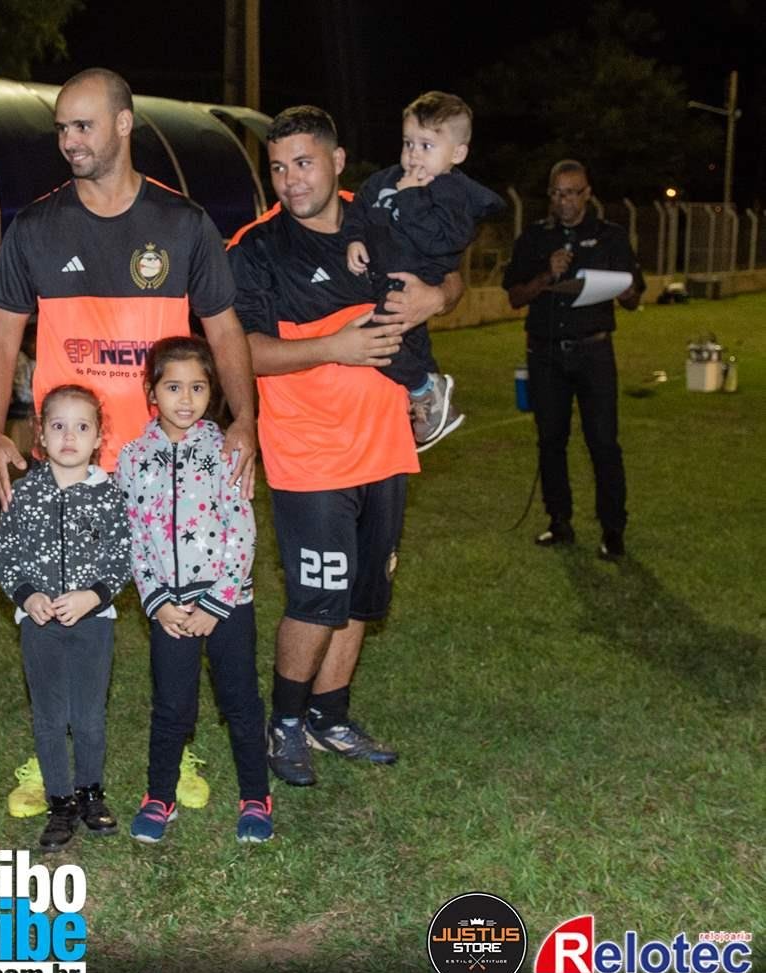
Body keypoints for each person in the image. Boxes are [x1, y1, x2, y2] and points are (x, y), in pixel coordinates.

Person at [0, 66, 257, 817]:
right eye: (61, 128)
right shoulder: (36, 227)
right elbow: (1, 337)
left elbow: (225, 328)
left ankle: (180, 745)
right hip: (71, 466)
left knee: (182, 609)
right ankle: (53, 757)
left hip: (169, 467)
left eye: (84, 125)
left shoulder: (183, 223)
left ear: (124, 124)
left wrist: (244, 420)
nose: (69, 141)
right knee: (59, 616)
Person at [227, 106, 463, 787]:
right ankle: (285, 723)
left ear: (337, 161)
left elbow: (453, 274)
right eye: (278, 167)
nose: (291, 180)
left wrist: (435, 299)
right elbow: (240, 351)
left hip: (386, 446)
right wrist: (335, 347)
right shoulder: (257, 248)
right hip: (311, 455)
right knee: (317, 599)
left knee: (362, 598)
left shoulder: (388, 214)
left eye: (304, 163)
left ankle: (330, 718)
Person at [115, 338, 271, 844]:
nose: (186, 399)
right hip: (170, 610)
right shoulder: (132, 459)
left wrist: (216, 603)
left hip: (227, 604)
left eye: (198, 388)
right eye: (174, 387)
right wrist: (157, 602)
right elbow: (133, 536)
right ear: (151, 391)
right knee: (171, 706)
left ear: (212, 391)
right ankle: (159, 797)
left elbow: (242, 531)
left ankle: (255, 797)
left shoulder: (227, 451)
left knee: (240, 701)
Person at [0, 385, 128, 852]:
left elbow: (123, 557)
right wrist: (27, 596)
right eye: (59, 426)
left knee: (88, 715)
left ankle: (90, 793)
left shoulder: (110, 495)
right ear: (41, 436)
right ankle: (60, 802)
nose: (70, 437)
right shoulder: (25, 494)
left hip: (94, 624)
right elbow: (3, 554)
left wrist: (93, 596)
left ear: (99, 438)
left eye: (82, 427)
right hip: (40, 627)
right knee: (50, 716)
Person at [343, 90, 505, 450]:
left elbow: (443, 241)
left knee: (373, 340)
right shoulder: (384, 180)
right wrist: (355, 239)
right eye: (408, 143)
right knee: (412, 347)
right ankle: (431, 406)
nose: (414, 154)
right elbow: (359, 210)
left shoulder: (451, 193)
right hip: (381, 283)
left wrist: (411, 197)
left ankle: (425, 388)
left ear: (457, 154)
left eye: (427, 146)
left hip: (414, 284)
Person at [502, 159, 642, 559]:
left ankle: (613, 528)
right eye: (557, 193)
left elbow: (633, 299)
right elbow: (515, 297)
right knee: (551, 440)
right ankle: (559, 520)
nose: (565, 201)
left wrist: (625, 291)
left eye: (573, 193)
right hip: (546, 354)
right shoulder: (534, 238)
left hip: (594, 352)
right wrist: (547, 275)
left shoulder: (611, 237)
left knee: (603, 441)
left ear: (588, 194)